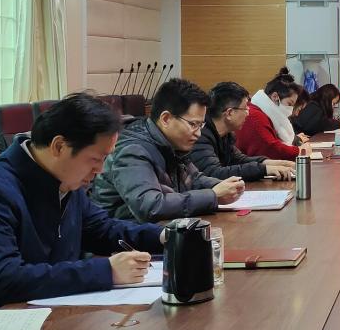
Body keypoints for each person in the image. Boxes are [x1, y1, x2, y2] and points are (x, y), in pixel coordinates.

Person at [0, 94, 162, 330]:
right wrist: (106, 271)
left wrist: (165, 236)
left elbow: (101, 229)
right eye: (95, 159)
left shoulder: (64, 179)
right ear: (59, 146)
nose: (100, 170)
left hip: (41, 316)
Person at [91, 78, 245, 222]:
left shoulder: (171, 142)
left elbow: (194, 179)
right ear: (166, 119)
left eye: (201, 125)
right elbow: (150, 206)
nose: (198, 133)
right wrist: (213, 195)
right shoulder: (133, 150)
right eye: (193, 124)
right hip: (123, 238)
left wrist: (225, 186)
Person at [190, 81, 295, 181]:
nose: (248, 113)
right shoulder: (200, 135)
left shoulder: (225, 135)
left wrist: (273, 163)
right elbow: (214, 173)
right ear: (229, 113)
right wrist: (264, 169)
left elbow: (238, 159)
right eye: (245, 108)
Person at [237, 68, 312, 160]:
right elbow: (270, 149)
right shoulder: (255, 116)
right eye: (289, 104)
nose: (291, 110)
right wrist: (299, 151)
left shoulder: (263, 113)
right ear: (275, 97)